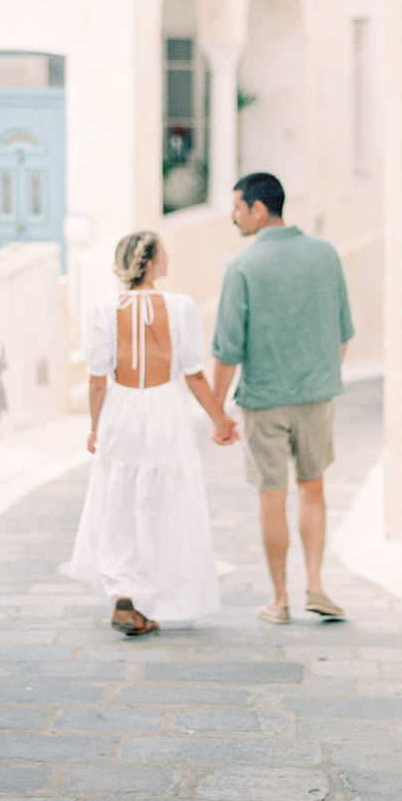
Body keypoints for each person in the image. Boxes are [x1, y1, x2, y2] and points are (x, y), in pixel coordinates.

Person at [67, 231, 237, 636]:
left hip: (121, 411)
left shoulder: (103, 310)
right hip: (165, 412)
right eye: (163, 253)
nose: (169, 258)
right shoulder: (180, 308)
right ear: (148, 262)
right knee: (162, 505)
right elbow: (194, 375)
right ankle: (152, 598)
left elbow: (96, 380)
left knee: (120, 504)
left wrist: (95, 427)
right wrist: (220, 418)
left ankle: (126, 597)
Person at [211, 173, 354, 625]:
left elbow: (227, 349)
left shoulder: (242, 266)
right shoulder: (325, 254)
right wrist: (319, 375)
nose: (233, 216)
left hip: (264, 401)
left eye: (237, 207)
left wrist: (217, 412)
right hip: (316, 395)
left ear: (258, 209)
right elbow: (343, 332)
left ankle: (279, 600)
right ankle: (315, 584)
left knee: (271, 497)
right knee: (313, 488)